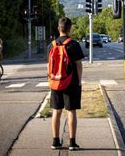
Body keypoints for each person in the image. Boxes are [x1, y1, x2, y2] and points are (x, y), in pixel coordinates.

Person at [48, 17, 84, 150]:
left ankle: (55, 141)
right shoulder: (73, 44)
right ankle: (72, 143)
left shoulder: (51, 45)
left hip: (55, 82)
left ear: (58, 28)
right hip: (71, 82)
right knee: (71, 111)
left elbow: (49, 65)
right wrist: (79, 81)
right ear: (70, 29)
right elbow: (79, 64)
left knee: (56, 111)